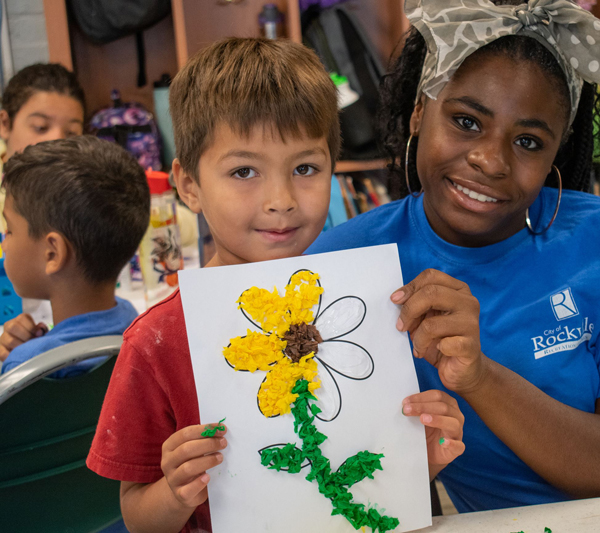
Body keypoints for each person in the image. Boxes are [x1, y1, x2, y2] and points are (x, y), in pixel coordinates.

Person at [308, 0, 600, 513]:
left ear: (556, 153)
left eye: (528, 141)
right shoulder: (346, 265)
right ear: (419, 113)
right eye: (467, 121)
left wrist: (479, 377)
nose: (490, 160)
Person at [87, 37, 465, 533]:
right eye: (244, 171)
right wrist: (176, 492)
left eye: (305, 168)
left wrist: (425, 455)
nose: (281, 199)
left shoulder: (368, 307)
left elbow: (386, 478)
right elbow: (137, 517)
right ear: (188, 185)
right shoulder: (155, 342)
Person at [0, 136, 147, 376]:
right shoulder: (132, 320)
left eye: (10, 230)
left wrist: (25, 357)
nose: (5, 244)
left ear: (52, 253)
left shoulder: (25, 368)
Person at [0, 63, 85, 232]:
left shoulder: (84, 192)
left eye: (71, 132)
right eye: (40, 127)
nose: (57, 141)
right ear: (5, 124)